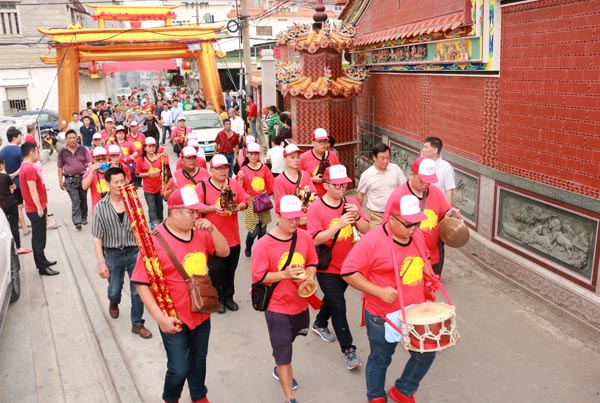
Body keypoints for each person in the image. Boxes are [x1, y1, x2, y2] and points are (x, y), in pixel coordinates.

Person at [132, 188, 229, 403]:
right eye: (192, 212)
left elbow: (224, 252)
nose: (197, 216)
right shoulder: (153, 241)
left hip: (201, 311)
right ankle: (171, 398)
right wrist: (160, 319)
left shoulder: (202, 232)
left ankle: (198, 395)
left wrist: (212, 229)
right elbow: (141, 284)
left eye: (197, 211)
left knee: (199, 361)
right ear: (175, 212)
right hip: (173, 317)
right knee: (178, 368)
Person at [341, 193, 439, 403]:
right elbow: (348, 272)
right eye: (408, 224)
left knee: (426, 354)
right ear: (391, 219)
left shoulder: (417, 236)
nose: (413, 228)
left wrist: (430, 279)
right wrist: (379, 291)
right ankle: (375, 396)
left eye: (416, 223)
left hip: (415, 311)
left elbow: (424, 260)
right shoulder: (371, 242)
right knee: (381, 358)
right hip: (382, 315)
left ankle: (403, 390)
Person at [251, 195, 318, 403]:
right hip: (277, 306)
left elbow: (312, 262)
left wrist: (310, 276)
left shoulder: (305, 237)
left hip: (300, 303)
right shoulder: (264, 245)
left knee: (288, 340)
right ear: (277, 216)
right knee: (284, 353)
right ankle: (290, 397)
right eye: (289, 218)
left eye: (297, 217)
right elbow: (259, 277)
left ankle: (279, 360)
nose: (294, 222)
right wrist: (285, 275)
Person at [307, 164, 370, 370]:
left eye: (345, 185)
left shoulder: (351, 203)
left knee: (332, 300)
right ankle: (348, 350)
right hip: (327, 267)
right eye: (338, 185)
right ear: (326, 185)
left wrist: (357, 216)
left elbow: (366, 229)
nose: (342, 189)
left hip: (349, 264)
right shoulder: (316, 207)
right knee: (339, 305)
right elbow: (315, 239)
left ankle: (319, 323)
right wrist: (339, 225)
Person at [92, 167, 152, 339]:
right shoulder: (100, 208)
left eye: (122, 181)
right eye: (116, 182)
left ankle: (137, 324)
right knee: (114, 289)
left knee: (138, 289)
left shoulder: (133, 202)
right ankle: (113, 301)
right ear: (107, 184)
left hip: (134, 252)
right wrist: (101, 262)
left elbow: (142, 228)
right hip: (112, 254)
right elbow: (97, 237)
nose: (120, 185)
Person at [383, 157, 461, 277]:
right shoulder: (398, 196)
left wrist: (450, 215)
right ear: (411, 175)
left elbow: (443, 213)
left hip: (432, 256)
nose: (426, 184)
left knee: (430, 290)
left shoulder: (435, 192)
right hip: (407, 258)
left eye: (429, 181)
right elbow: (386, 228)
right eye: (422, 180)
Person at [196, 154, 249, 314]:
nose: (222, 171)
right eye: (218, 168)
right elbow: (196, 208)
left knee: (230, 269)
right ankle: (217, 298)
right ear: (210, 170)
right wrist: (213, 208)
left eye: (225, 167)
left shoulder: (233, 184)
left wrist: (239, 206)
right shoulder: (202, 186)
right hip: (211, 238)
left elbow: (245, 200)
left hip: (232, 237)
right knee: (216, 270)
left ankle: (228, 297)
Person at [20, 142, 58, 276]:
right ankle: (42, 267)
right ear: (32, 152)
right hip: (35, 208)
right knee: (38, 238)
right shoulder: (29, 168)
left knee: (40, 236)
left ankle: (43, 261)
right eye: (37, 151)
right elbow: (32, 190)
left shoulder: (25, 166)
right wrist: (39, 207)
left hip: (35, 207)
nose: (38, 154)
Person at [237, 142, 274, 257]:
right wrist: (241, 179)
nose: (253, 156)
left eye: (256, 154)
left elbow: (271, 183)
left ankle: (260, 250)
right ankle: (248, 245)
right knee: (254, 230)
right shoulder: (243, 169)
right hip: (250, 202)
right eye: (251, 154)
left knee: (263, 229)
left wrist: (268, 193)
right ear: (247, 154)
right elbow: (239, 187)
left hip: (263, 202)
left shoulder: (264, 168)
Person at [356, 143, 407, 228]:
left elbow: (404, 188)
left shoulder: (395, 169)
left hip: (394, 212)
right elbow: (360, 195)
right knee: (378, 237)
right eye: (382, 158)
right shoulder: (367, 175)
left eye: (388, 158)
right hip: (376, 214)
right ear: (374, 158)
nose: (386, 161)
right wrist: (358, 215)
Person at [273, 144, 316, 229]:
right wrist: (298, 218)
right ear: (285, 159)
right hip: (290, 223)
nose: (296, 160)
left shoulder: (305, 175)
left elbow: (313, 197)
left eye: (297, 157)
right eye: (292, 157)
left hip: (307, 220)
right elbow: (281, 205)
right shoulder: (279, 180)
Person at [57, 129, 91, 230]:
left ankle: (84, 217)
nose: (72, 140)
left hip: (82, 178)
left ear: (77, 138)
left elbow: (89, 162)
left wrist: (93, 172)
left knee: (83, 199)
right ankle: (77, 221)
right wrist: (60, 180)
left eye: (73, 138)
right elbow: (60, 166)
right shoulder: (62, 151)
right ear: (66, 139)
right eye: (69, 138)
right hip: (69, 180)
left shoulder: (83, 149)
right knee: (75, 200)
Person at [0, 127, 28, 236]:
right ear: (15, 138)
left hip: (7, 185)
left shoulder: (2, 151)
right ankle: (25, 229)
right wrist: (14, 175)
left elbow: (2, 167)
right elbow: (23, 165)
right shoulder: (20, 150)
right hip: (20, 183)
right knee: (21, 206)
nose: (21, 138)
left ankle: (14, 231)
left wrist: (7, 175)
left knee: (16, 208)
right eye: (20, 136)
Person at [0, 156, 30, 254]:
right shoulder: (5, 176)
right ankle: (18, 247)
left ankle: (6, 249)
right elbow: (13, 187)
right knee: (14, 226)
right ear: (1, 165)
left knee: (3, 227)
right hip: (10, 203)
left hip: (1, 206)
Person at [299, 128, 340, 197]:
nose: (323, 144)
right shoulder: (303, 158)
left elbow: (339, 176)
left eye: (325, 141)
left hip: (330, 196)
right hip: (311, 197)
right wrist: (312, 179)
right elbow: (298, 178)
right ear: (313, 143)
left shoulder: (333, 156)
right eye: (320, 142)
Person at [135, 137, 165, 229]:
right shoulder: (141, 160)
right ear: (145, 148)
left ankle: (161, 224)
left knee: (160, 207)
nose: (152, 148)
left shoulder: (160, 157)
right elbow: (137, 174)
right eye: (149, 146)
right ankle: (154, 226)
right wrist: (148, 174)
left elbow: (165, 170)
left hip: (159, 188)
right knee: (152, 208)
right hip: (148, 189)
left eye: (153, 146)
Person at [421, 137, 456, 205]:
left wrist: (446, 212)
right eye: (423, 147)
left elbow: (449, 191)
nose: (423, 150)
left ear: (435, 150)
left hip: (438, 207)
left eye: (426, 147)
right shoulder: (423, 164)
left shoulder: (446, 168)